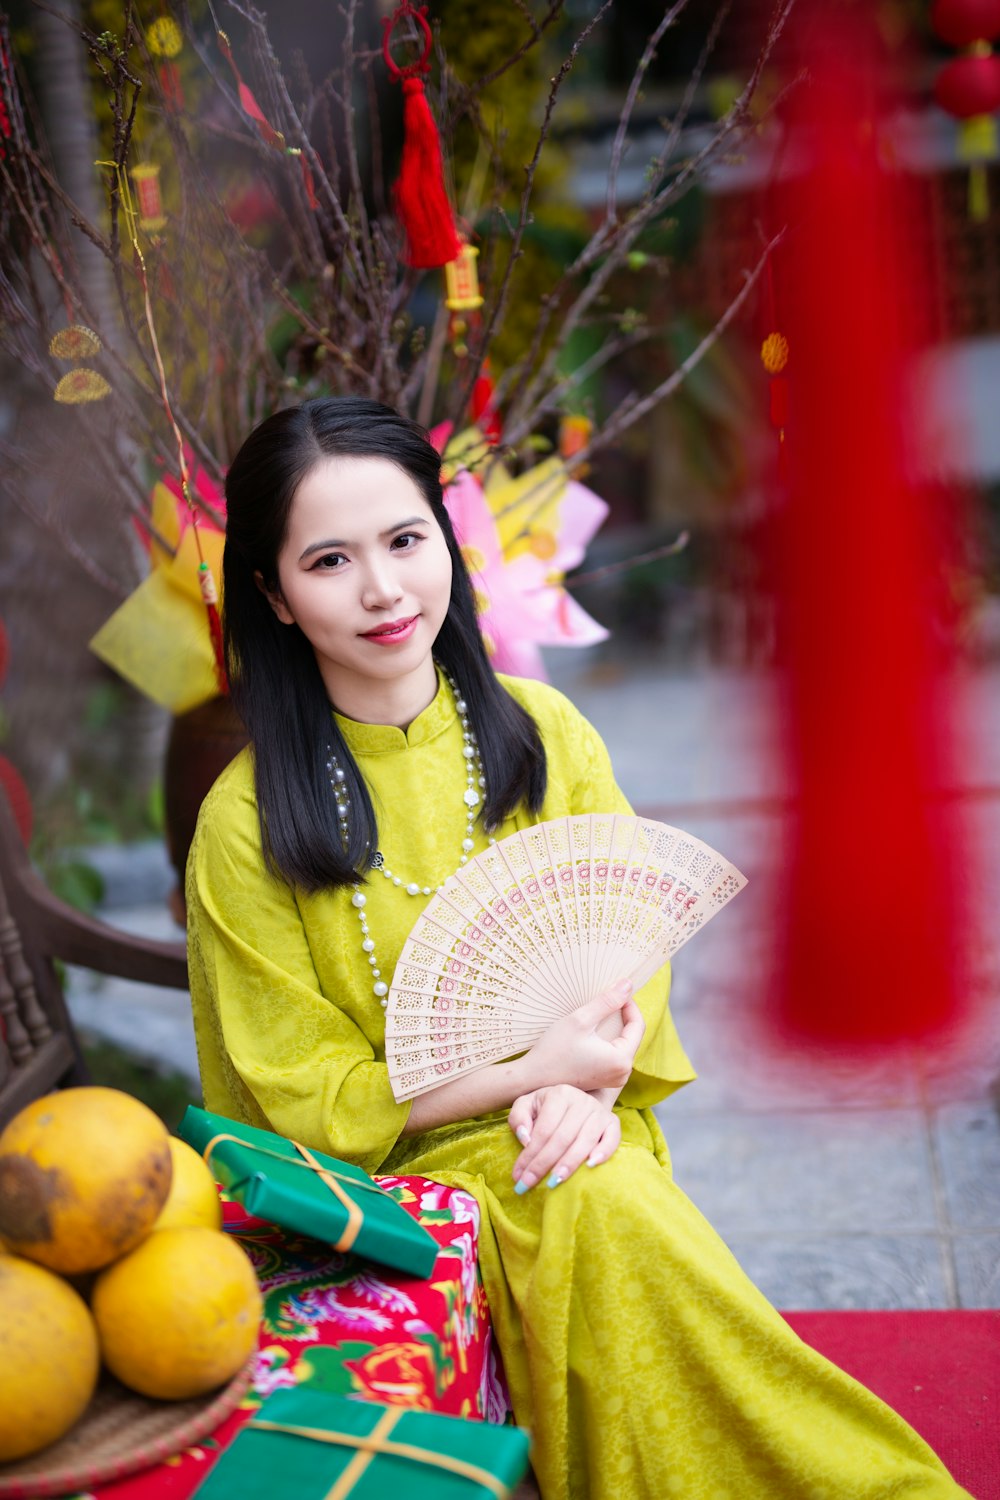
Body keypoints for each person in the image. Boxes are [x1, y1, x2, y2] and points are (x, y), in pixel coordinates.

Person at [187, 396, 971, 1500]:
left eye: (406, 541)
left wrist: (590, 1080)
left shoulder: (545, 736)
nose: (382, 590)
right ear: (271, 593)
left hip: (577, 1117)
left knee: (595, 1186)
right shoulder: (244, 820)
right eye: (329, 560)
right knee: (593, 1208)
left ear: (447, 543)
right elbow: (292, 1089)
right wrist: (533, 1075)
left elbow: (625, 955)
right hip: (391, 1174)